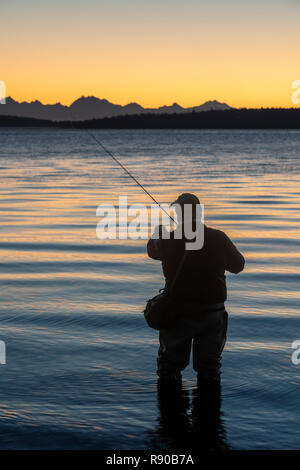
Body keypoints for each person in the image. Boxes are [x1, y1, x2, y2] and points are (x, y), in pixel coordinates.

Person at [147, 193, 245, 383]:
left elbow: (152, 251)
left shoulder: (168, 239)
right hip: (212, 313)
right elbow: (238, 266)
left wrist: (158, 232)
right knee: (210, 370)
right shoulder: (218, 237)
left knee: (169, 368)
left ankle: (170, 411)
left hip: (178, 312)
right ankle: (209, 411)